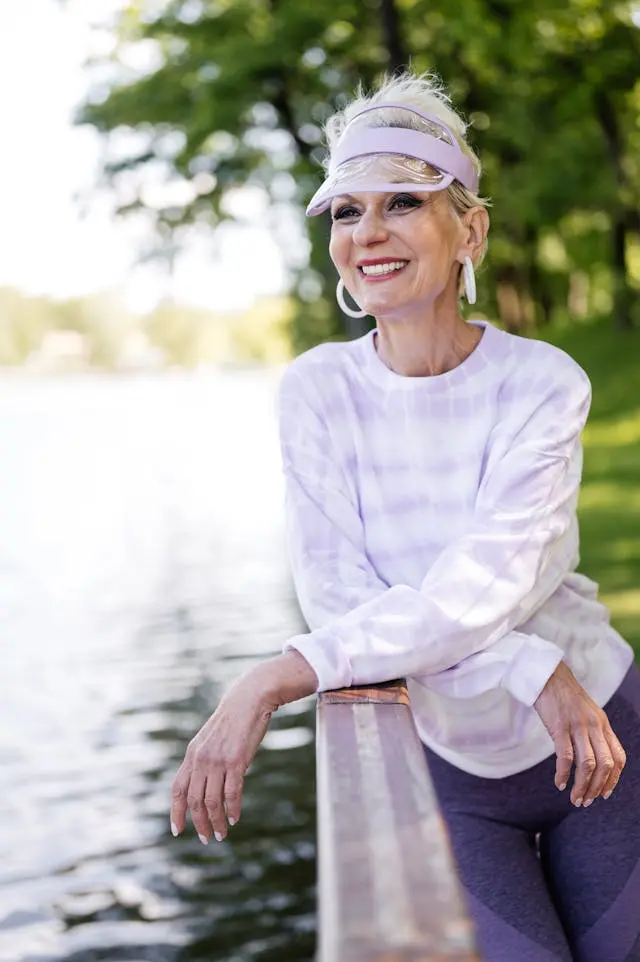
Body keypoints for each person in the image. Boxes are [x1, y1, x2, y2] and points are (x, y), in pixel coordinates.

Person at [170, 71, 640, 962]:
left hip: (602, 738)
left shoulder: (543, 384)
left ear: (471, 229)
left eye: (402, 202)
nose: (368, 233)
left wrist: (275, 676)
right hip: (447, 767)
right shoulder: (316, 393)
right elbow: (342, 597)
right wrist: (530, 663)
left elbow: (486, 583)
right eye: (346, 212)